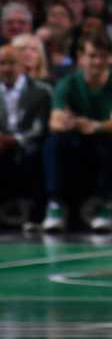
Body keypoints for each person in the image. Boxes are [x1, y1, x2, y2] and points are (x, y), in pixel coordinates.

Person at [43, 35, 112, 233]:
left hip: (105, 137)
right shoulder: (67, 83)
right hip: (77, 136)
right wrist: (75, 123)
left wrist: (96, 126)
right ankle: (56, 205)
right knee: (54, 142)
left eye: (103, 56)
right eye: (92, 56)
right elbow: (55, 122)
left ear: (110, 58)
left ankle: (107, 206)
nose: (97, 62)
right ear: (81, 57)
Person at [0, 43, 52, 227]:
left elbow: (40, 127)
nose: (6, 68)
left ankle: (35, 214)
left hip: (28, 143)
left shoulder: (41, 91)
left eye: (11, 63)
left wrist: (14, 140)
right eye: (2, 63)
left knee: (38, 151)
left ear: (22, 65)